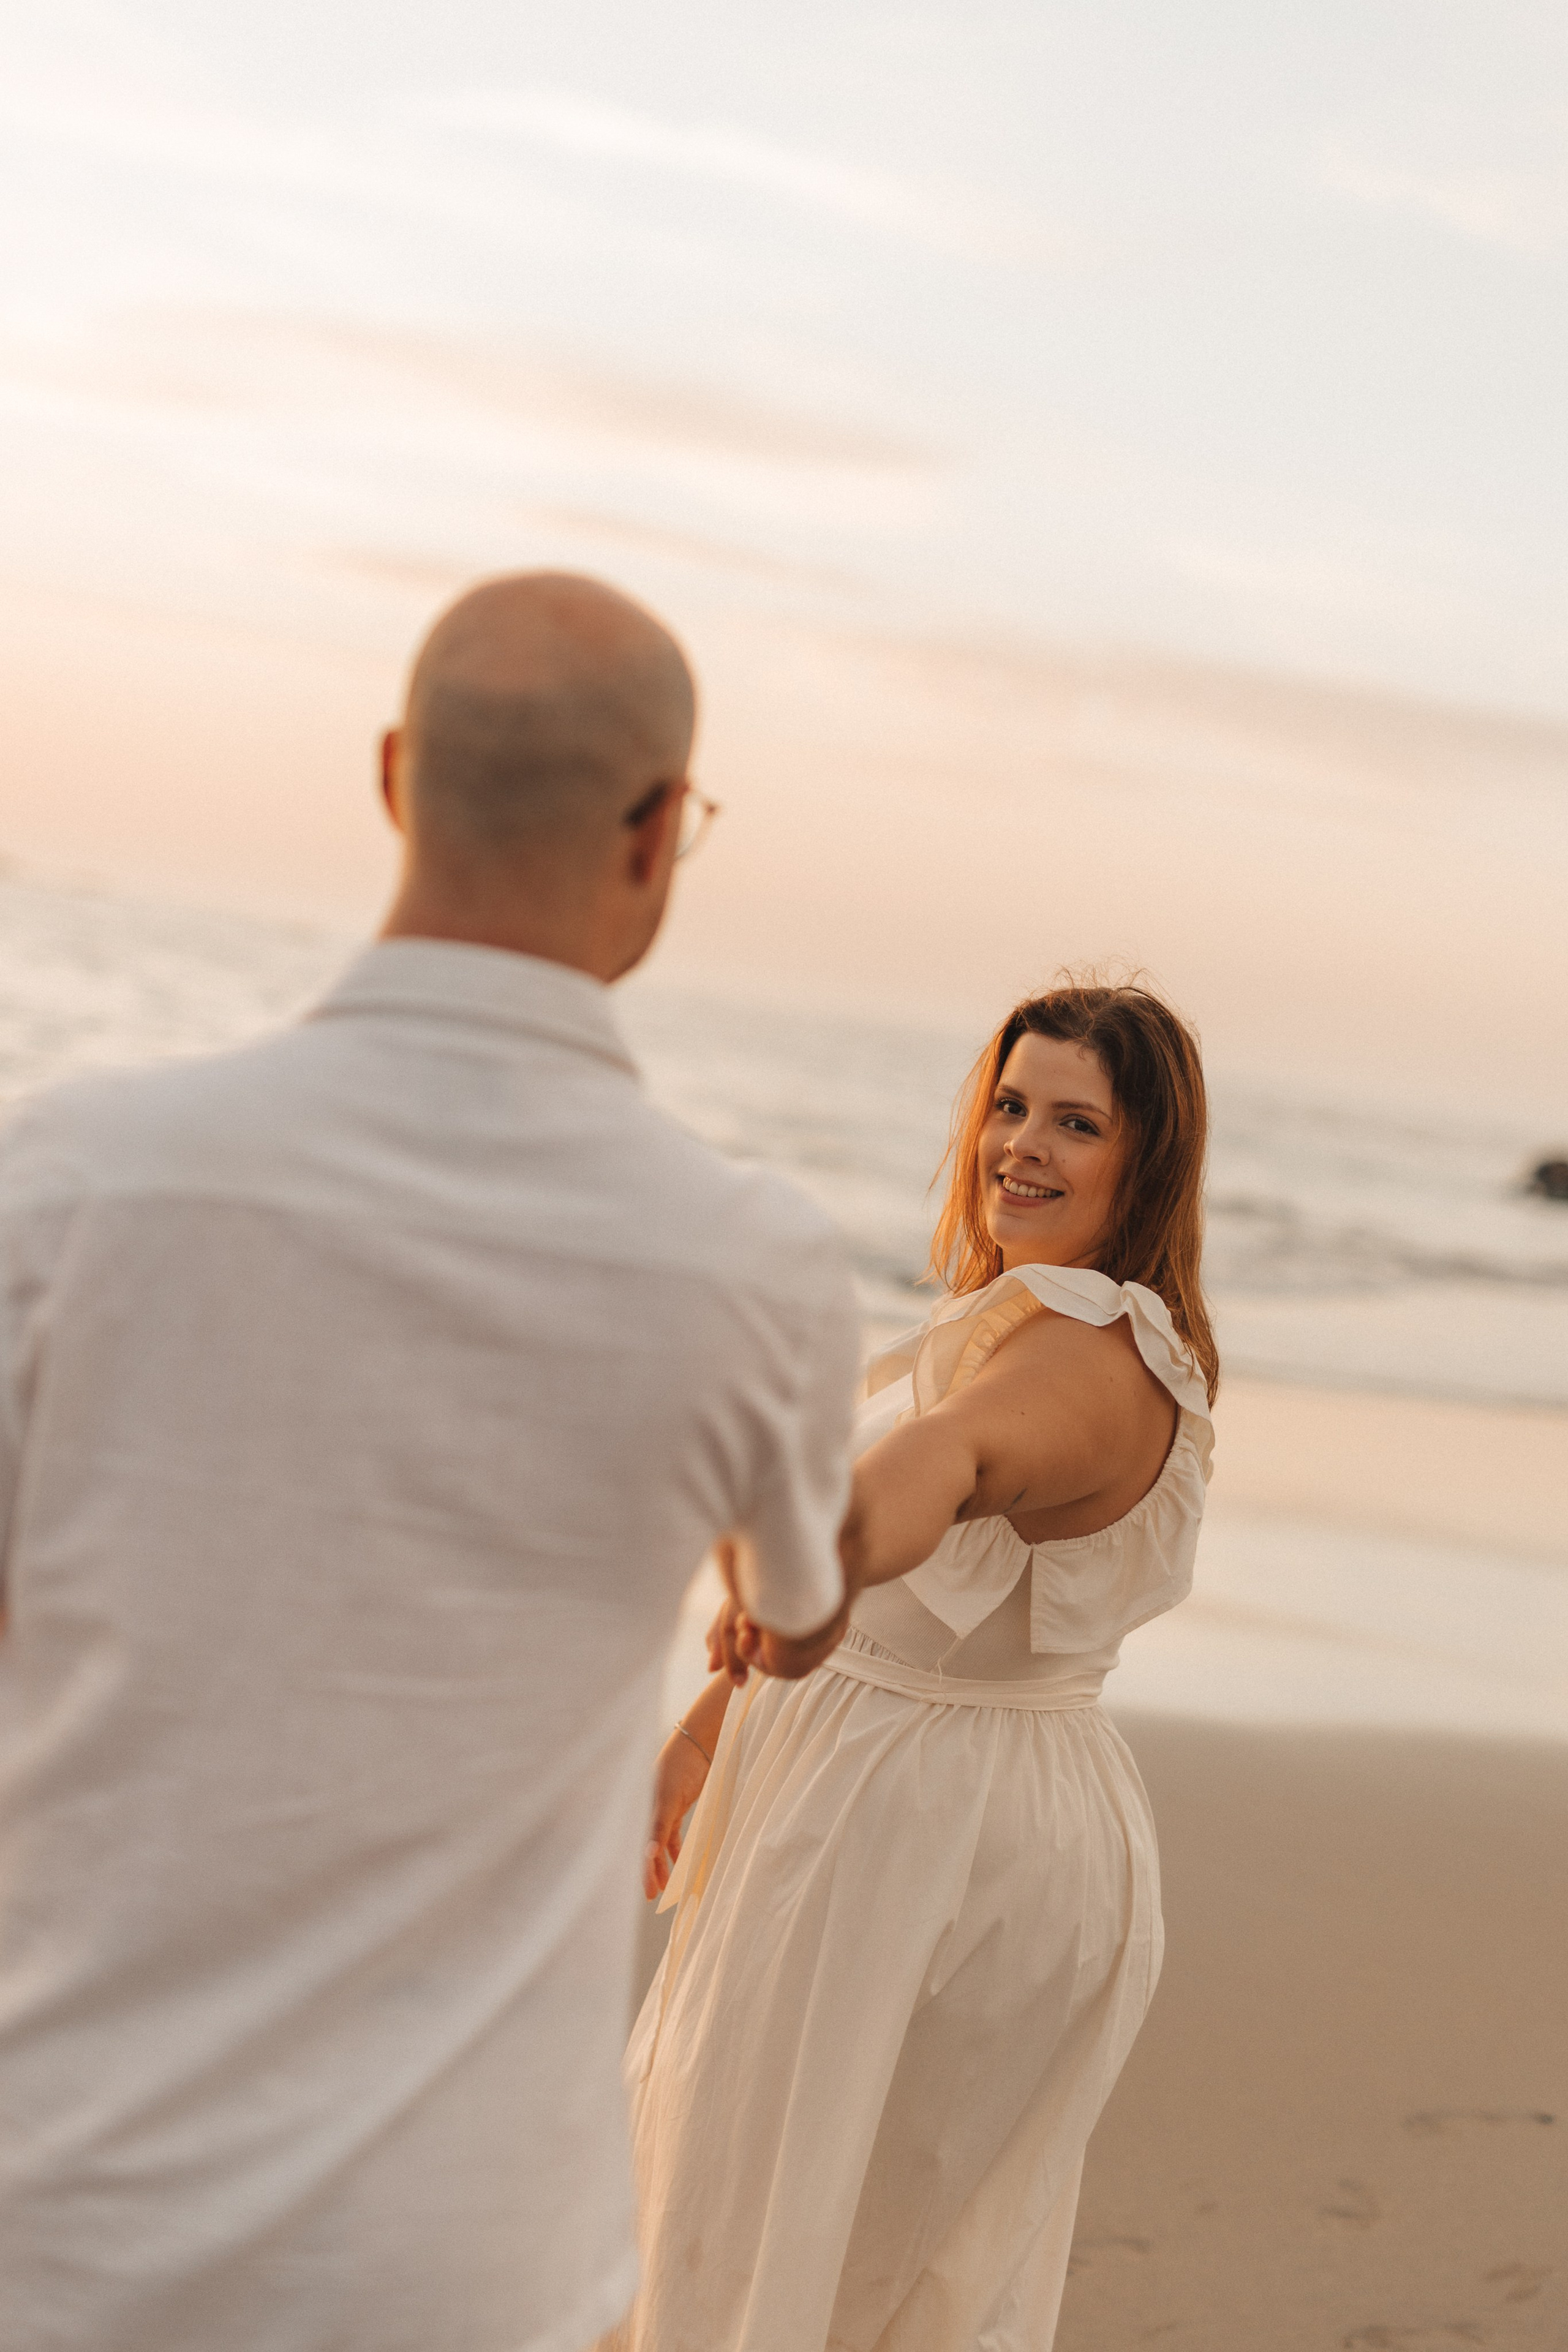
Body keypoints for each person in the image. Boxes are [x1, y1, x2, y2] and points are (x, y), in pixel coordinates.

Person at [0, 573, 859, 2352]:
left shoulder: (63, 1184)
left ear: (395, 776)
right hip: (453, 2267)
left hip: (61, 2207)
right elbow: (803, 1610)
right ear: (653, 836)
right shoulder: (748, 1264)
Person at [609, 982, 1219, 2352]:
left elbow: (926, 1482)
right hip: (906, 1798)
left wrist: (802, 1556)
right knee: (794, 2240)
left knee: (810, 2259)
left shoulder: (1088, 1354)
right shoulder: (1016, 1324)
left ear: (1146, 1163)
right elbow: (901, 1584)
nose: (1022, 1145)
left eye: (1075, 1122)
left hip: (929, 1838)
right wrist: (718, 1715)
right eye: (1008, 1105)